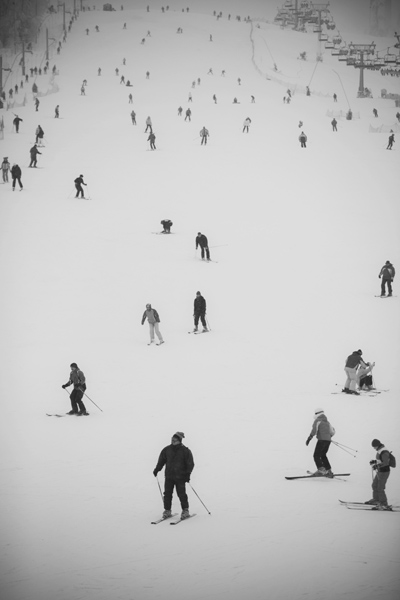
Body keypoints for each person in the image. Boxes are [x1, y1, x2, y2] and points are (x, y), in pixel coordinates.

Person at [153, 432, 194, 520]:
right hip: (169, 476)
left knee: (181, 494)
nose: (173, 441)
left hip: (180, 477)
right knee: (167, 494)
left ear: (179, 440)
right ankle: (167, 510)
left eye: (175, 440)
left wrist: (187, 474)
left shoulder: (185, 451)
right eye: (172, 440)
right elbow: (161, 461)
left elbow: (190, 464)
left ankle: (185, 510)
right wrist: (157, 469)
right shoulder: (167, 450)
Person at [305, 408, 335, 477]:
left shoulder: (317, 420)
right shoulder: (327, 422)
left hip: (321, 440)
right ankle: (329, 471)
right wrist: (328, 437)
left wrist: (309, 438)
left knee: (316, 455)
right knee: (323, 455)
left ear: (316, 414)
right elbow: (332, 432)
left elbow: (314, 430)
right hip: (328, 441)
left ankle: (321, 470)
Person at [366, 439, 393, 509]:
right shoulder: (380, 450)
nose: (374, 448)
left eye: (374, 446)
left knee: (380, 488)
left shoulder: (384, 451)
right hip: (380, 471)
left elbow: (386, 463)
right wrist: (375, 461)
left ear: (377, 445)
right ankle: (376, 500)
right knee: (374, 485)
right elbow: (381, 460)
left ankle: (384, 504)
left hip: (384, 472)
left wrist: (377, 466)